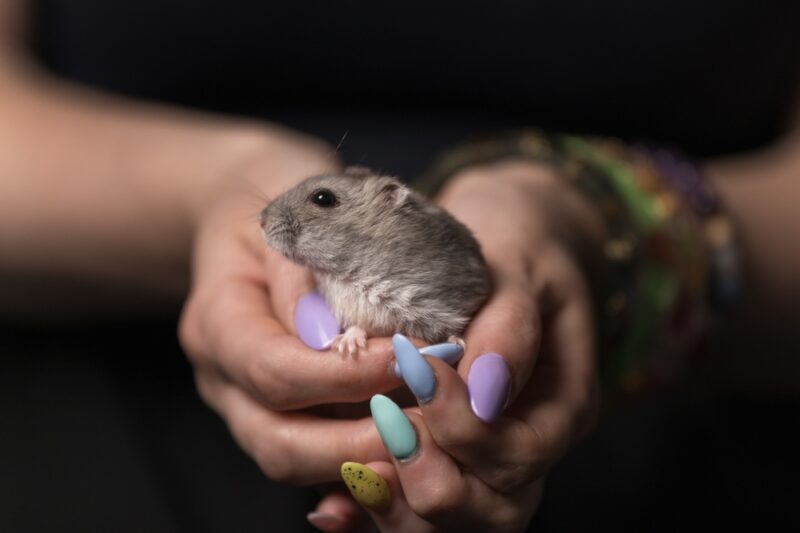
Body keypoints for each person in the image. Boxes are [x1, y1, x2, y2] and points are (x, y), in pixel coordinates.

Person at [1, 2, 799, 531]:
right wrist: (204, 191)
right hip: (96, 428)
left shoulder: (413, 238)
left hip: (679, 456)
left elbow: (441, 321)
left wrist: (604, 227)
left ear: (392, 207)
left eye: (316, 206)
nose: (275, 217)